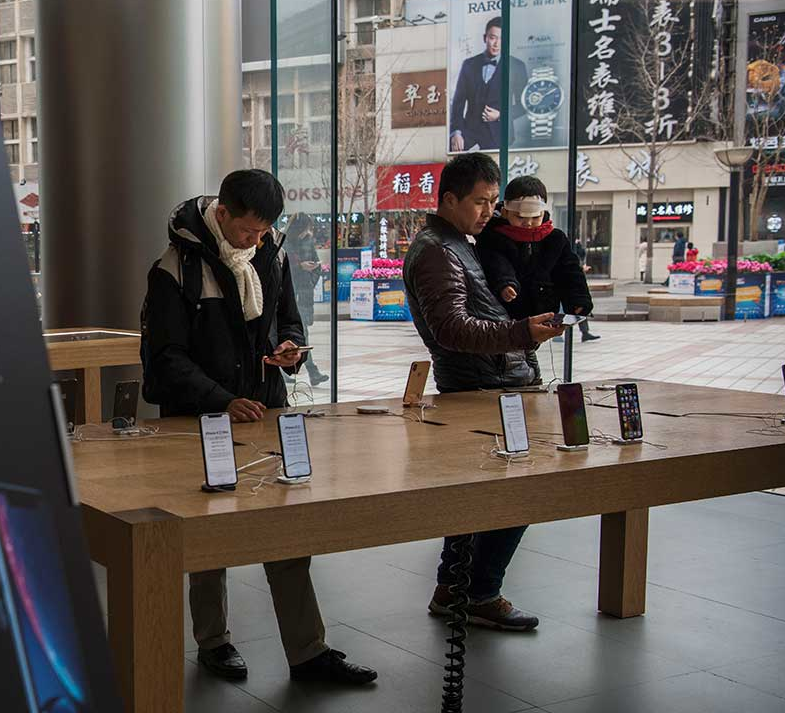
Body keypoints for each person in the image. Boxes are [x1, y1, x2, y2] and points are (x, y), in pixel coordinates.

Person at [141, 169, 377, 686]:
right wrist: (221, 400)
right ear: (222, 213)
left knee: (286, 524)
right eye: (247, 230)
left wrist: (290, 349)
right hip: (202, 416)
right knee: (207, 533)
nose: (255, 239)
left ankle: (308, 651)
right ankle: (214, 641)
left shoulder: (271, 254)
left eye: (264, 230)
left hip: (266, 409)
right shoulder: (175, 267)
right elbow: (165, 358)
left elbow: (289, 320)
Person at [402, 153, 562, 631]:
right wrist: (520, 333)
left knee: (479, 498)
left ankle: (455, 590)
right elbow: (450, 328)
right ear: (449, 199)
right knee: (517, 493)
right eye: (480, 201)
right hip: (481, 389)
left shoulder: (460, 243)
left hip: (493, 384)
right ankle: (479, 592)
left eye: (494, 201)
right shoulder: (438, 250)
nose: (489, 211)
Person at [476, 176, 598, 354]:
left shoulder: (555, 239)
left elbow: (570, 272)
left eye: (535, 217)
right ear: (505, 212)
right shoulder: (493, 237)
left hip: (543, 316)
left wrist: (578, 300)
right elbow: (495, 263)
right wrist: (504, 283)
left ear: (543, 212)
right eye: (520, 217)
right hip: (505, 319)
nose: (528, 223)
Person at [448, 16, 528, 153]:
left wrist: (501, 115)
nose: (496, 44)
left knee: (492, 166)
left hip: (499, 133)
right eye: (492, 38)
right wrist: (456, 132)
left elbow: (525, 105)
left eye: (502, 39)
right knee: (453, 156)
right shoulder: (469, 65)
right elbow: (458, 103)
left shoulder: (517, 66)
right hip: (470, 130)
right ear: (485, 38)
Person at [285, 213, 328, 387]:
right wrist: (299, 267)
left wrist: (310, 277)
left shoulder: (308, 242)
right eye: (305, 228)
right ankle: (311, 371)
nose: (307, 232)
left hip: (303, 295)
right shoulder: (284, 242)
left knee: (302, 335)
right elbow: (282, 268)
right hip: (288, 296)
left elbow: (317, 265)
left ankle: (307, 372)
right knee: (298, 335)